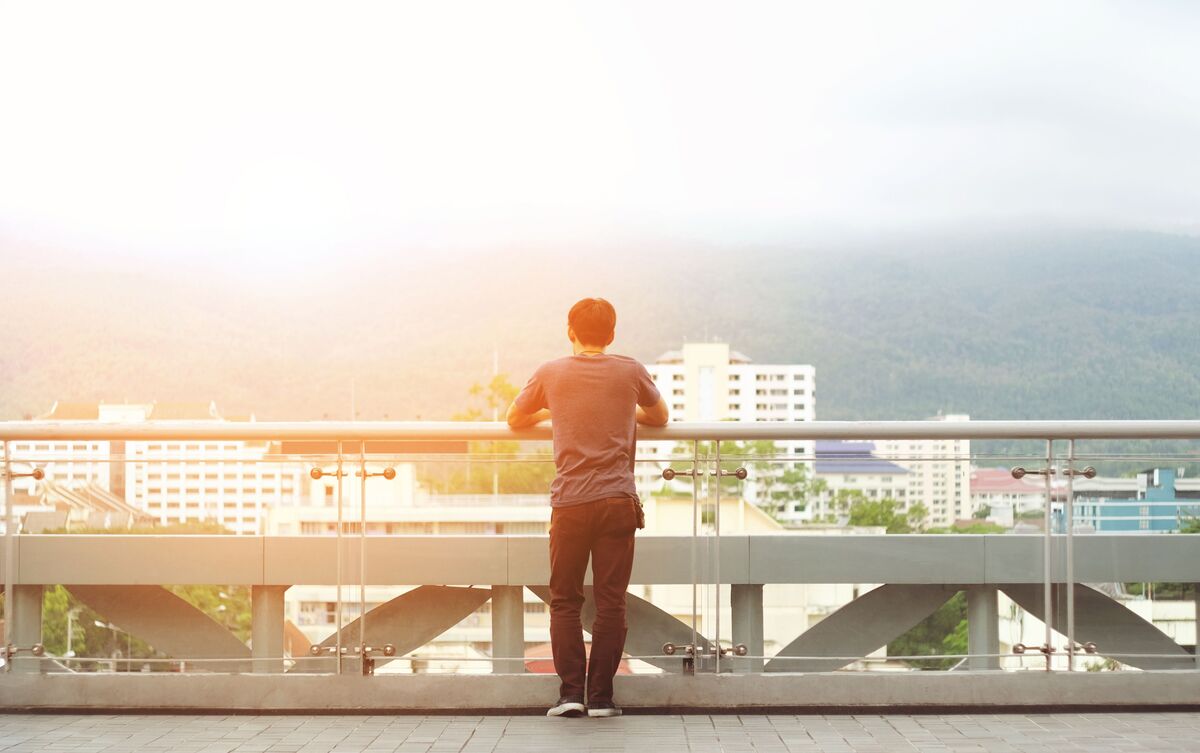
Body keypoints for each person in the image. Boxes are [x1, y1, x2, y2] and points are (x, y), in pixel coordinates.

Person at [507, 297, 669, 718]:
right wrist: (620, 411)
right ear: (612, 334)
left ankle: (570, 696)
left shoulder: (551, 372)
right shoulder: (630, 370)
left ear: (570, 331)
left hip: (571, 502)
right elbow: (659, 415)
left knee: (565, 601)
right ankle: (601, 700)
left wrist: (561, 408)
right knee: (611, 603)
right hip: (618, 500)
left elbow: (514, 419)